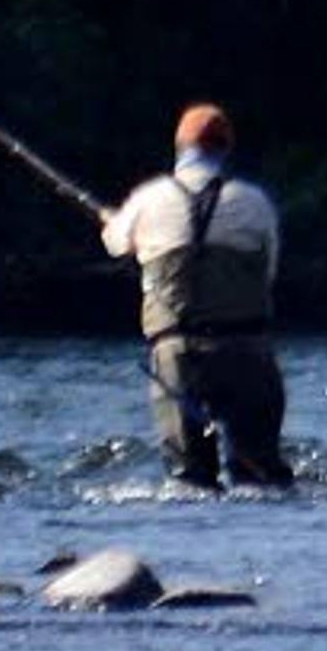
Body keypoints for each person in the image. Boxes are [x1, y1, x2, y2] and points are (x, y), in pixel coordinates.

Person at [97, 102, 290, 489]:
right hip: (247, 354)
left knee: (189, 481)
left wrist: (113, 221)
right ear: (226, 149)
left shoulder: (148, 199)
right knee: (261, 477)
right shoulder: (256, 204)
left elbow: (116, 243)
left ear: (180, 147)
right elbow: (267, 276)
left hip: (178, 357)